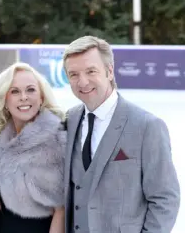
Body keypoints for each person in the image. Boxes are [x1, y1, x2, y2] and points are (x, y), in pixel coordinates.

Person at [62, 36, 180, 233]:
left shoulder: (147, 126)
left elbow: (165, 199)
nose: (82, 82)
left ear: (109, 71)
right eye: (73, 74)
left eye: (91, 71)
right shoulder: (69, 120)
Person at [0, 62, 66, 233]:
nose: (24, 97)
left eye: (30, 90)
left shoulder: (54, 139)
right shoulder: (4, 137)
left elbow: (61, 209)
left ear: (41, 97)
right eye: (14, 91)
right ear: (4, 100)